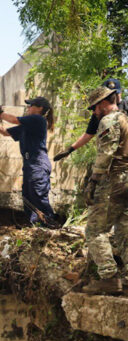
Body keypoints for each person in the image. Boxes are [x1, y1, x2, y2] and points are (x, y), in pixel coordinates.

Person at [81, 86, 128, 295]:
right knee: (124, 230)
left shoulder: (108, 121)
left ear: (101, 104)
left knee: (94, 230)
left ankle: (109, 277)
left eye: (94, 107)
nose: (93, 112)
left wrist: (93, 181)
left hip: (114, 181)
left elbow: (106, 154)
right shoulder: (126, 119)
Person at [0, 97, 58, 226]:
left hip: (37, 163)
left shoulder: (38, 119)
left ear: (39, 108)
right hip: (29, 164)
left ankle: (50, 223)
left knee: (38, 195)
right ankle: (35, 225)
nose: (28, 108)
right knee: (28, 198)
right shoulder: (27, 125)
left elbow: (13, 120)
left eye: (31, 105)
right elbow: (5, 132)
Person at [53, 78, 128, 162]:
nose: (112, 97)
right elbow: (88, 134)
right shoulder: (99, 112)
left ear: (120, 93)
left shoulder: (126, 107)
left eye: (115, 93)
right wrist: (70, 149)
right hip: (111, 160)